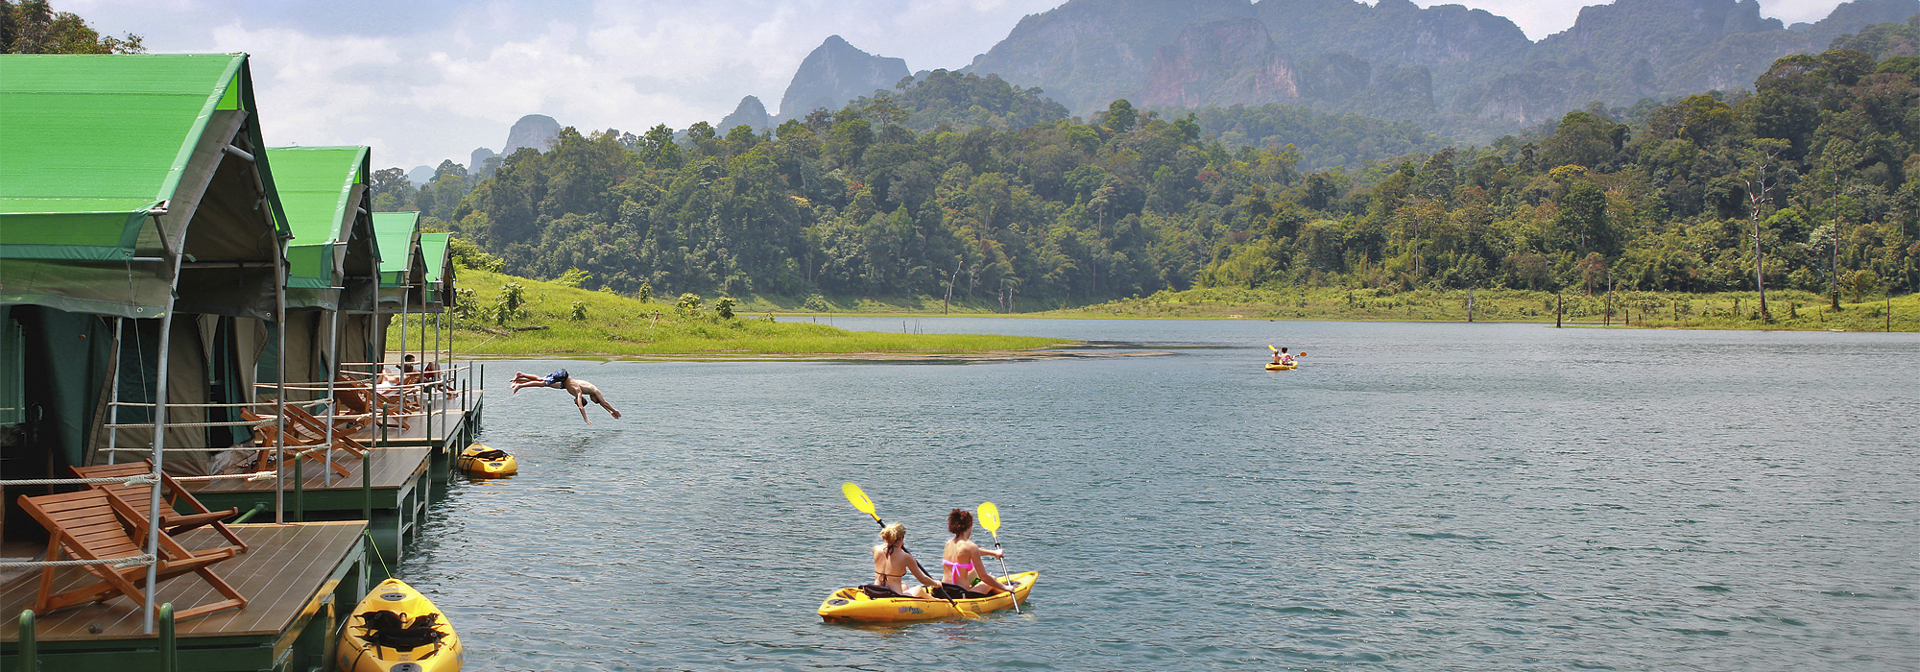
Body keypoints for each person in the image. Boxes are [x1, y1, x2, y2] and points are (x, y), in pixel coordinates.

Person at [933, 508, 1009, 600]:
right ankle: (1006, 593)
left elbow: (967, 552)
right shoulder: (971, 546)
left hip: (944, 590)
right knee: (991, 579)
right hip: (960, 594)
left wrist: (993, 553)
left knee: (972, 571)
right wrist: (1006, 587)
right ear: (969, 526)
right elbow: (984, 577)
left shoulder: (949, 543)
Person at [511, 369, 622, 424]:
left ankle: (520, 378)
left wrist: (610, 412)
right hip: (563, 377)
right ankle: (520, 384)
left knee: (542, 380)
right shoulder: (591, 391)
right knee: (541, 382)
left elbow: (602, 404)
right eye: (595, 401)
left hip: (562, 382)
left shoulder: (585, 391)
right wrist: (586, 418)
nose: (594, 401)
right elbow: (603, 403)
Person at [864, 522, 939, 598]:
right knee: (918, 589)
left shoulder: (876, 549)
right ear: (901, 538)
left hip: (876, 591)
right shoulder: (906, 557)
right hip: (893, 595)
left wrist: (898, 547)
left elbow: (889, 556)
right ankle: (939, 602)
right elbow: (923, 580)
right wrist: (936, 583)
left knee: (905, 586)